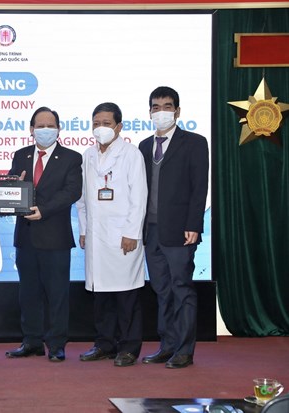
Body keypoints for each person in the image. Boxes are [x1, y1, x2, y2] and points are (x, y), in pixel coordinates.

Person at [138, 86, 209, 369]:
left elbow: (199, 187)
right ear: (150, 112)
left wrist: (194, 224)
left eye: (167, 106)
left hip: (180, 231)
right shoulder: (144, 146)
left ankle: (184, 350)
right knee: (161, 290)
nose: (161, 112)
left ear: (177, 111)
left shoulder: (194, 142)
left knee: (182, 289)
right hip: (151, 230)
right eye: (156, 107)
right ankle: (167, 346)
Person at [5, 106, 82, 362]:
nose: (45, 130)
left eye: (51, 126)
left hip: (55, 237)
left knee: (57, 294)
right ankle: (32, 341)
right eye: (41, 126)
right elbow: (12, 188)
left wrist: (44, 210)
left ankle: (57, 344)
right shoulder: (21, 155)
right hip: (25, 236)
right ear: (31, 129)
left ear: (59, 130)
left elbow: (72, 191)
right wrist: (12, 187)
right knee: (28, 293)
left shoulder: (71, 158)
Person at [76, 102, 148, 367]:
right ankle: (104, 344)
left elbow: (139, 197)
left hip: (122, 237)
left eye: (106, 123)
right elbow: (82, 199)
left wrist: (131, 233)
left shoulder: (131, 154)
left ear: (119, 126)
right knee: (101, 296)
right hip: (96, 237)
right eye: (96, 123)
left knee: (126, 295)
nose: (100, 128)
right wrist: (84, 230)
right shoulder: (87, 155)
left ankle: (129, 348)